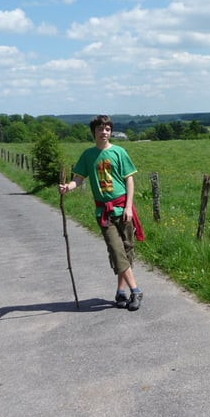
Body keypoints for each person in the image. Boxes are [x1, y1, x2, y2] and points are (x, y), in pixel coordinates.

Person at [58, 115, 145, 311]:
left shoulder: (119, 152)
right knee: (116, 250)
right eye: (100, 129)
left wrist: (129, 207)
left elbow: (129, 180)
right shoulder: (88, 155)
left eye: (107, 129)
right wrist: (68, 187)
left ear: (110, 132)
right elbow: (78, 179)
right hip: (103, 212)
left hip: (123, 208)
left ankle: (120, 292)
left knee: (126, 251)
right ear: (94, 132)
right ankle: (136, 290)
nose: (104, 132)